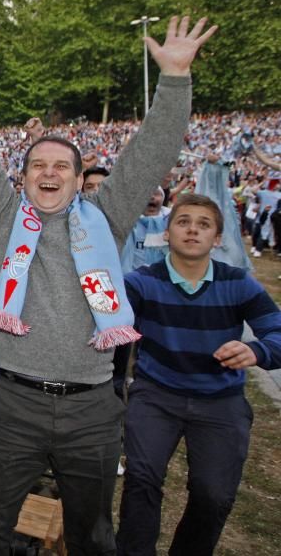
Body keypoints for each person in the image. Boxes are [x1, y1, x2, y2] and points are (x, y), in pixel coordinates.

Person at [0, 13, 217, 554]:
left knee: (91, 534)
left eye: (62, 165)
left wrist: (175, 79)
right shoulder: (0, 215)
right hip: (13, 402)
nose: (50, 172)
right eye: (38, 163)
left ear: (80, 178)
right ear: (24, 177)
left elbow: (150, 154)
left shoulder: (105, 220)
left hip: (91, 408)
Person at [116, 194, 281, 555]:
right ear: (168, 231)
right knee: (141, 480)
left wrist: (257, 350)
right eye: (184, 221)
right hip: (156, 394)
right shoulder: (141, 283)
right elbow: (105, 318)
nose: (193, 229)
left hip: (220, 401)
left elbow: (277, 332)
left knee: (214, 495)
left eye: (204, 224)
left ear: (217, 238)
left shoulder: (238, 283)